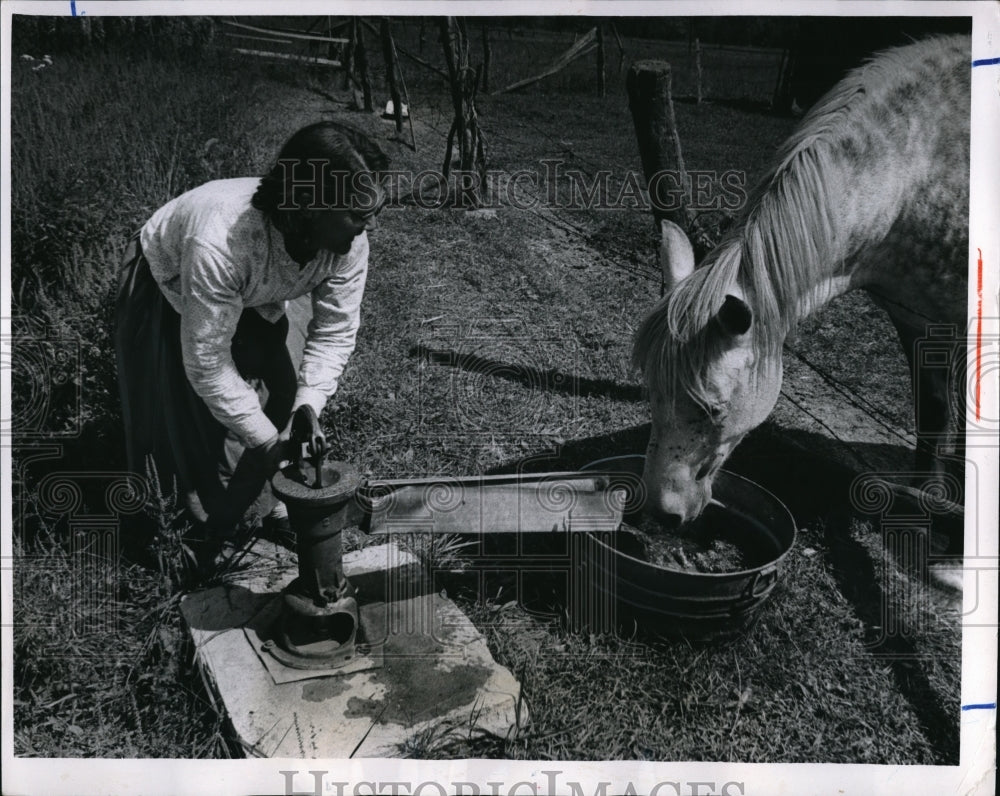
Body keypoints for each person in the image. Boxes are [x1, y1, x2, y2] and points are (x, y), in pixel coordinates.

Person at [115, 121, 388, 559]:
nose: (370, 224)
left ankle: (268, 503)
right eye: (357, 214)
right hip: (173, 277)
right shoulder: (220, 241)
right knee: (195, 418)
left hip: (260, 285)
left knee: (282, 388)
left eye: (373, 211)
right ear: (309, 205)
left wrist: (308, 406)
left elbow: (335, 329)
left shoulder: (349, 240)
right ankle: (195, 535)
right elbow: (207, 363)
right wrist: (265, 441)